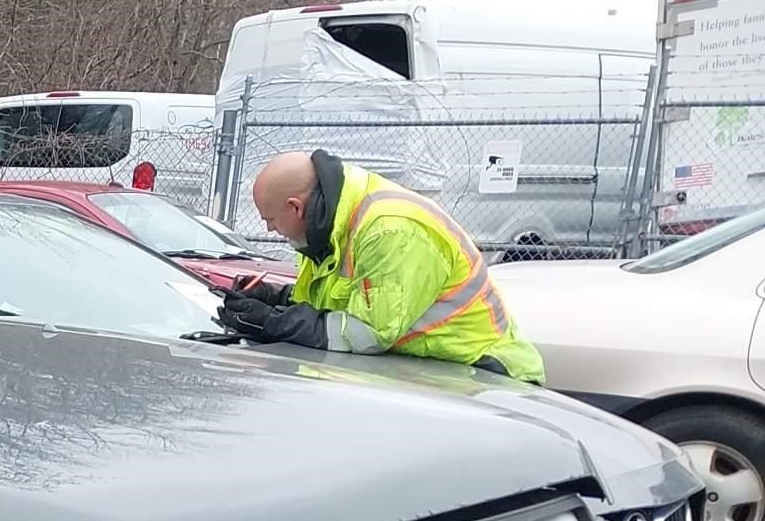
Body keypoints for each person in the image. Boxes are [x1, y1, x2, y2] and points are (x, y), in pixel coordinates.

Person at [215, 148, 544, 381]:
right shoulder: (332, 227)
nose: (270, 230)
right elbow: (338, 306)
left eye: (270, 220)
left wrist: (275, 322)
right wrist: (276, 299)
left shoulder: (391, 230)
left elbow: (366, 334)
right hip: (432, 375)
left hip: (481, 379)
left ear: (296, 207)